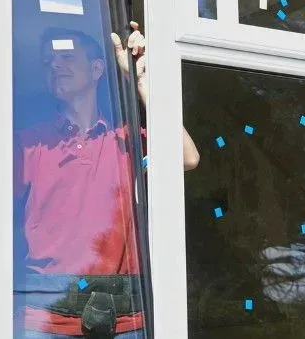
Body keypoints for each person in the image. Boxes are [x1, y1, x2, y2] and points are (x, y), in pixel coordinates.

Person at [13, 25, 199, 339]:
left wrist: (141, 82)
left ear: (97, 68)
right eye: (48, 62)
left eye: (67, 57)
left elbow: (187, 157)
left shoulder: (126, 141)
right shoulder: (30, 144)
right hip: (44, 321)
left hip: (123, 321)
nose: (55, 65)